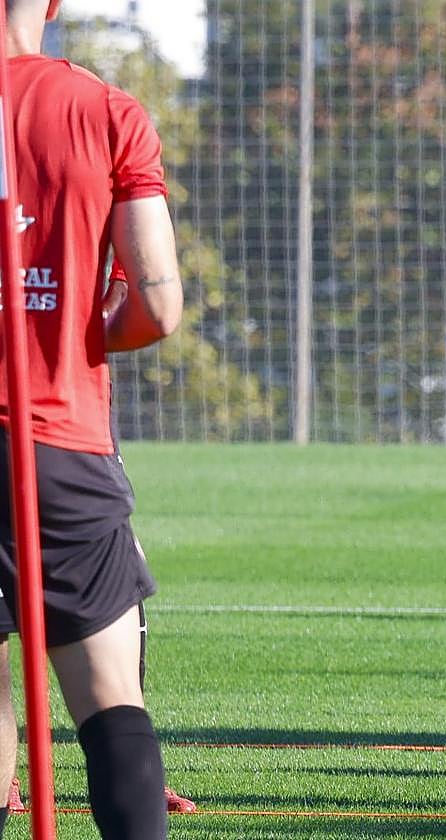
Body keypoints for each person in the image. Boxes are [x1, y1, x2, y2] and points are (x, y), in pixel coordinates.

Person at [0, 0, 184, 836]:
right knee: (110, 699)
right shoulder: (105, 109)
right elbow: (157, 304)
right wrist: (81, 330)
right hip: (58, 442)